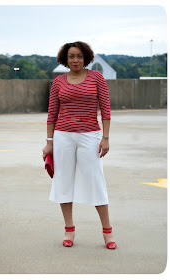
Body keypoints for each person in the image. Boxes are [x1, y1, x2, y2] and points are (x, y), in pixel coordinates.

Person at [42, 41, 117, 249]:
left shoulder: (97, 78)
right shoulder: (58, 82)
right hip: (62, 136)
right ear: (65, 59)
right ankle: (69, 230)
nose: (76, 60)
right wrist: (49, 143)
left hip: (90, 135)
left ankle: (107, 232)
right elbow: (52, 113)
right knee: (64, 181)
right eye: (72, 56)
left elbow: (106, 109)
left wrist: (106, 138)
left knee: (96, 181)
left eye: (79, 56)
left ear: (86, 58)